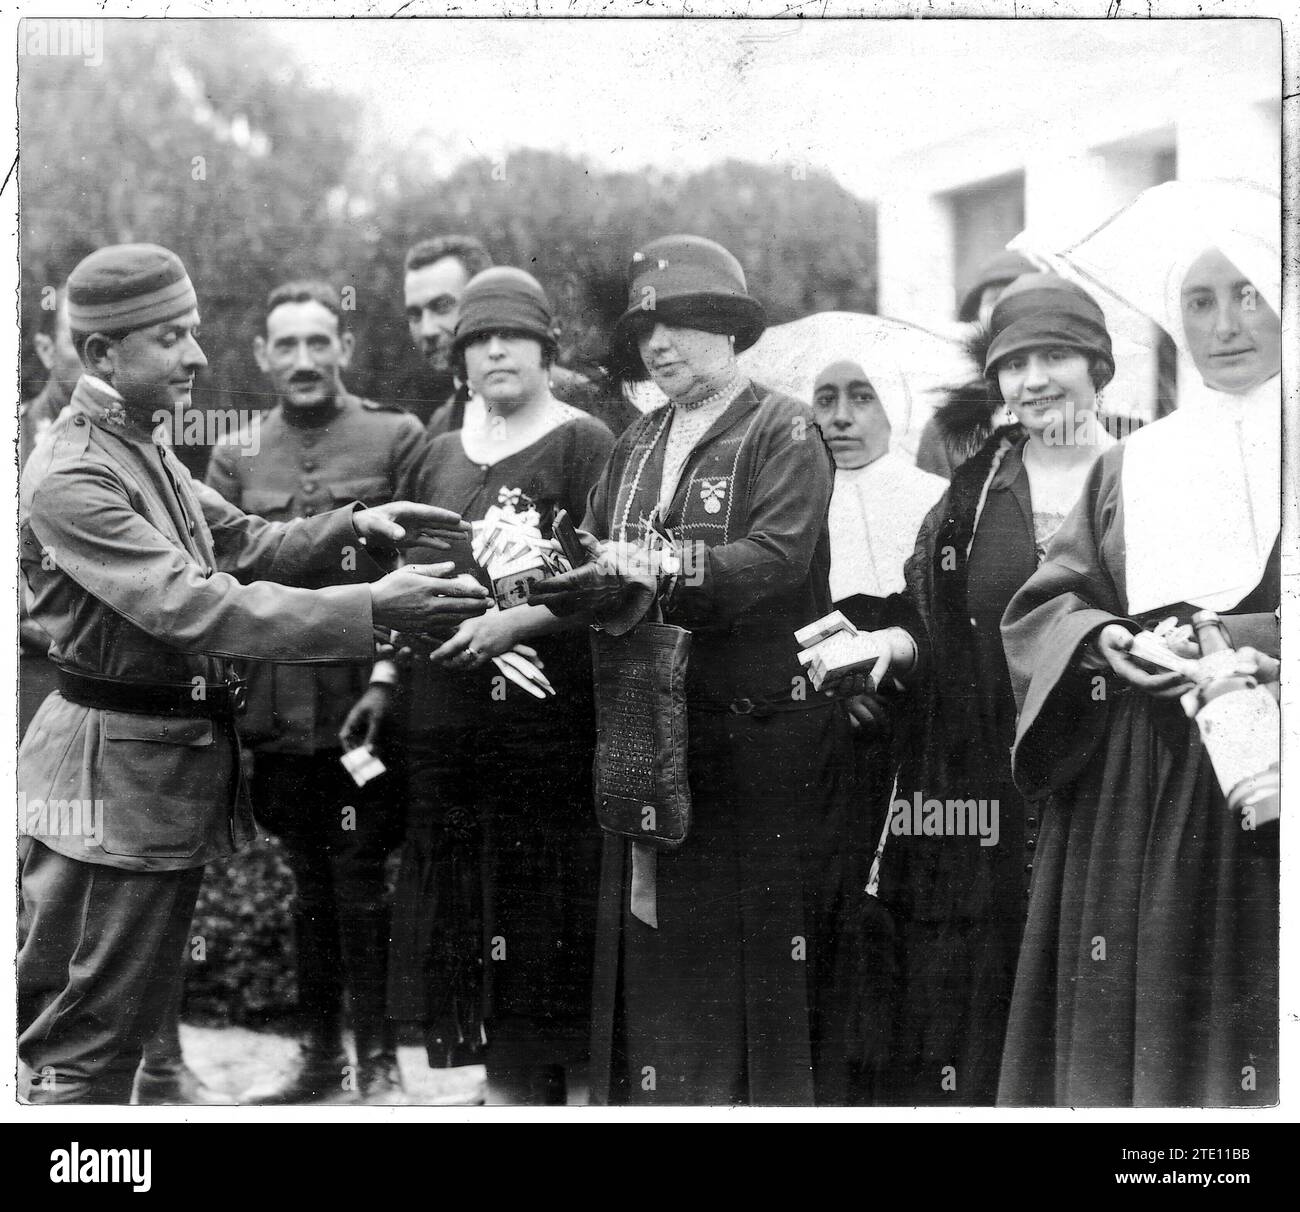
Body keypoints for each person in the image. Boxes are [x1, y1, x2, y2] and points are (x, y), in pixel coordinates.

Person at [17, 242, 489, 1104]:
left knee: (118, 1031)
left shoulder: (138, 445)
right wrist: (370, 609)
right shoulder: (74, 471)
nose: (198, 356)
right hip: (108, 783)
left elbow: (243, 541)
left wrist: (356, 524)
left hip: (148, 776)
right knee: (83, 1047)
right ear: (102, 355)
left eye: (193, 332)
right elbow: (193, 605)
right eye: (172, 337)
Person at [531, 235, 863, 1105]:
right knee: (661, 961)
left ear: (728, 328)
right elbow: (597, 554)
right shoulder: (636, 440)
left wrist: (661, 566)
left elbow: (778, 560)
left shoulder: (784, 426)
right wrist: (552, 573)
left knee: (758, 963)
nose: (658, 344)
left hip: (758, 740)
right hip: (651, 737)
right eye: (644, 330)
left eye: (679, 322)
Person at [997, 212, 1281, 1106]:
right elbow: (1049, 601)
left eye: (1248, 295)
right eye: (1198, 302)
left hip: (1269, 757)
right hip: (1136, 771)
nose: (1224, 325)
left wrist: (1250, 643)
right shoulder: (1135, 461)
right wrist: (1104, 639)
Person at [348, 267, 614, 1104]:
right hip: (449, 741)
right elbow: (407, 585)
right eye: (478, 339)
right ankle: (503, 1096)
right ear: (459, 360)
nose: (495, 351)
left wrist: (518, 623)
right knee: (477, 944)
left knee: (547, 932)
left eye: (514, 336)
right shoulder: (435, 456)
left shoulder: (585, 444)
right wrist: (391, 666)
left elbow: (612, 586)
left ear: (547, 349)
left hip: (547, 742)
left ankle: (569, 1098)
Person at [854, 274, 1118, 1105]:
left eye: (1055, 356)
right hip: (983, 786)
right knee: (974, 1005)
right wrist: (889, 644)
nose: (1032, 381)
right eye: (1013, 363)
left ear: (1098, 366)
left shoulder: (1146, 471)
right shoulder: (976, 487)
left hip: (1107, 774)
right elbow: (932, 619)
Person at [205, 280, 429, 1103]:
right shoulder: (233, 454)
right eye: (286, 345)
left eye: (317, 341)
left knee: (362, 880)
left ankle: (379, 1063)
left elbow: (421, 569)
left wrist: (387, 679)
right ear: (263, 356)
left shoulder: (396, 436)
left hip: (365, 707)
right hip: (276, 714)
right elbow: (223, 577)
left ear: (345, 347)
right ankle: (317, 1061)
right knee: (307, 882)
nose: (303, 359)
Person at [403, 233, 638, 437]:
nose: (427, 330)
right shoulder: (442, 423)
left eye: (442, 306)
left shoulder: (583, 399)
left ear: (488, 297)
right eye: (414, 314)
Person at [914, 250, 1036, 478]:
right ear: (977, 315)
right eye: (995, 299)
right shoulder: (949, 428)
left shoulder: (1076, 413)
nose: (1007, 307)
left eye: (1021, 296)